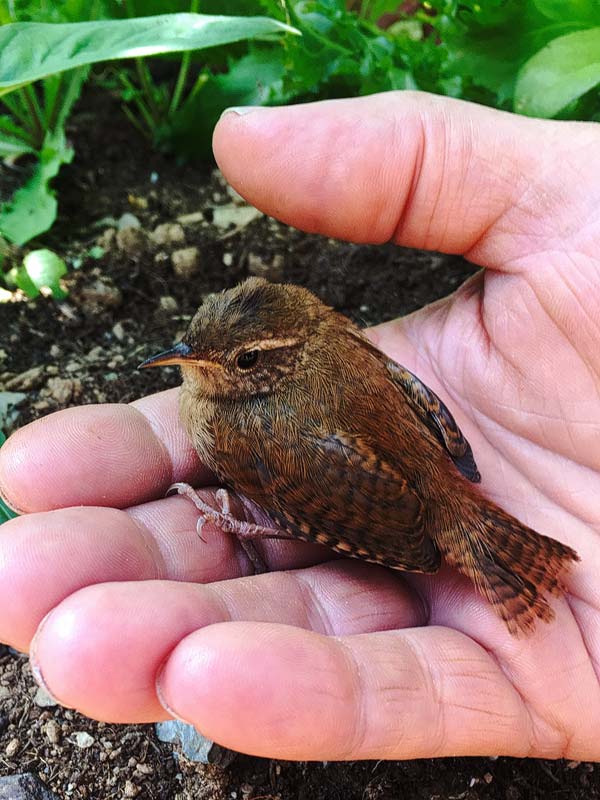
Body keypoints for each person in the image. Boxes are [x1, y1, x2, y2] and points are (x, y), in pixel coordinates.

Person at [0, 92, 598, 761]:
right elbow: (406, 392)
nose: (188, 366)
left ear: (274, 363)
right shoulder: (329, 335)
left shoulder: (235, 431)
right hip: (425, 459)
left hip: (406, 502)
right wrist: (445, 462)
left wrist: (244, 524)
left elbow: (309, 512)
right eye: (192, 348)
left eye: (244, 360)